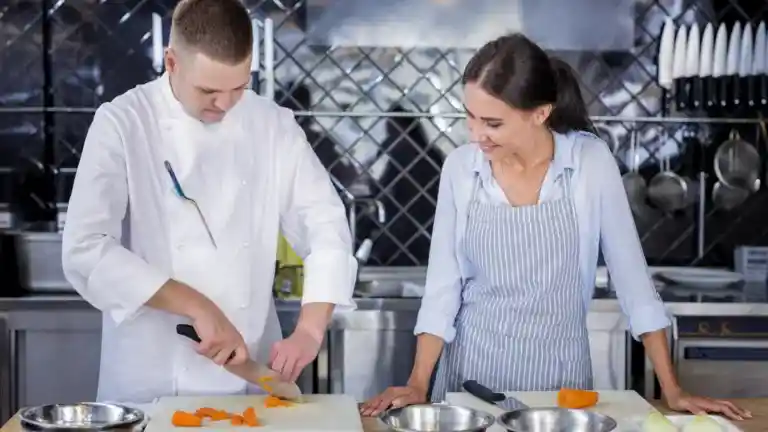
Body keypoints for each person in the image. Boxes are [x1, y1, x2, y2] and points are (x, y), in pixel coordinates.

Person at [361, 33, 750, 420]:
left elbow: (634, 284)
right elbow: (443, 289)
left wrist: (673, 390)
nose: (475, 134)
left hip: (561, 391)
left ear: (540, 113)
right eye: (470, 116)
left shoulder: (589, 163)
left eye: (492, 122)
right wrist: (417, 382)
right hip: (471, 386)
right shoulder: (461, 169)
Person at [61, 0, 356, 403]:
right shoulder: (123, 123)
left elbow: (326, 227)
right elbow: (85, 250)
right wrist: (197, 305)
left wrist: (309, 329)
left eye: (239, 87)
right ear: (171, 62)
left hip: (249, 383)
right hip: (149, 383)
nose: (224, 105)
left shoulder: (272, 126)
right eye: (208, 91)